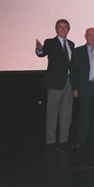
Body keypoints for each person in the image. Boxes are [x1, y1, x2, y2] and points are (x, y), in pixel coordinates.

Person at [35, 19, 75, 150]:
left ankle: (64, 140)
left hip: (68, 82)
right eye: (60, 27)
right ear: (56, 29)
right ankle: (51, 141)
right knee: (52, 113)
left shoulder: (71, 44)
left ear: (68, 29)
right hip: (55, 83)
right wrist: (39, 49)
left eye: (65, 27)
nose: (63, 29)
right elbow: (42, 53)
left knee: (66, 113)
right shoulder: (50, 42)